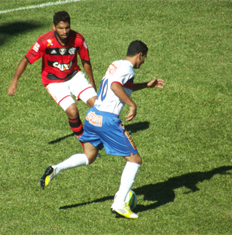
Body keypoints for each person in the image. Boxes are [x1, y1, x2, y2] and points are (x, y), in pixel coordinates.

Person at [40, 40, 165, 219]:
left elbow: (121, 86)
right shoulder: (128, 69)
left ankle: (56, 168)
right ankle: (120, 203)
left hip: (93, 115)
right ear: (139, 55)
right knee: (135, 160)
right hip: (107, 120)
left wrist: (146, 85)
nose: (143, 62)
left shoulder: (116, 64)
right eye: (144, 58)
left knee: (89, 156)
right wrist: (132, 105)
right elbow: (115, 87)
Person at [8, 11, 97, 144]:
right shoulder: (44, 42)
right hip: (54, 82)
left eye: (67, 27)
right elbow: (26, 60)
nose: (64, 31)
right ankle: (85, 143)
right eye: (61, 28)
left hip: (74, 76)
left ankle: (110, 135)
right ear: (54, 27)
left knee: (98, 106)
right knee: (73, 112)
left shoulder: (78, 39)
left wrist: (92, 83)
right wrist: (14, 81)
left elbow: (85, 61)